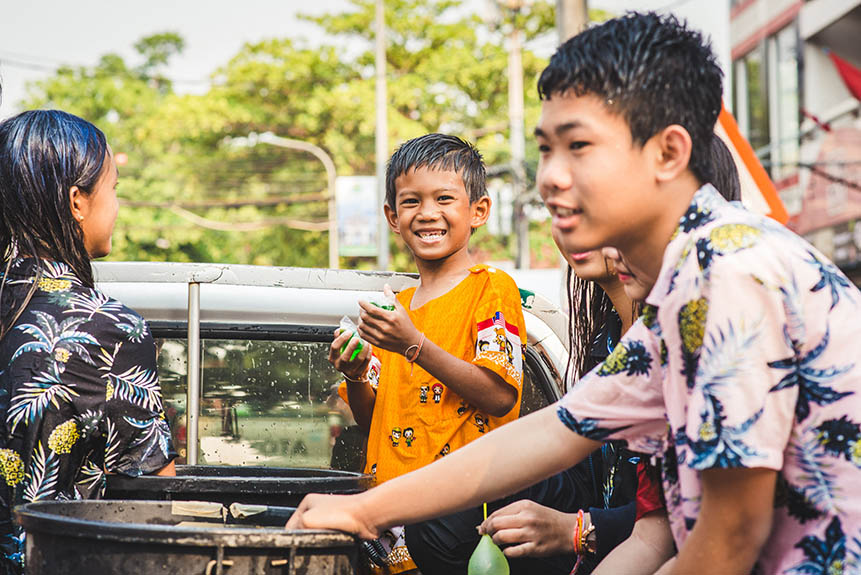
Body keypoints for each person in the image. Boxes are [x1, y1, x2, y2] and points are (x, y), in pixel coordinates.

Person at [288, 12, 861, 574]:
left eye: (578, 147)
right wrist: (362, 510)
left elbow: (731, 536)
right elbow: (556, 432)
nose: (550, 178)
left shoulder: (728, 272)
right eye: (545, 149)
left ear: (668, 152)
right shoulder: (685, 284)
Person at [328, 133, 527, 572]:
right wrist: (357, 375)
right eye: (412, 202)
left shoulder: (491, 288)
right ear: (393, 217)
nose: (428, 213)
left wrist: (412, 344)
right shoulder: (394, 305)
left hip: (451, 530)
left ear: (478, 211)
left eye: (444, 198)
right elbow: (372, 419)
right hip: (388, 528)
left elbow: (500, 397)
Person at [0, 110, 177, 575]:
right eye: (113, 189)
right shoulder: (107, 328)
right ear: (77, 201)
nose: (116, 206)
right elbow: (156, 501)